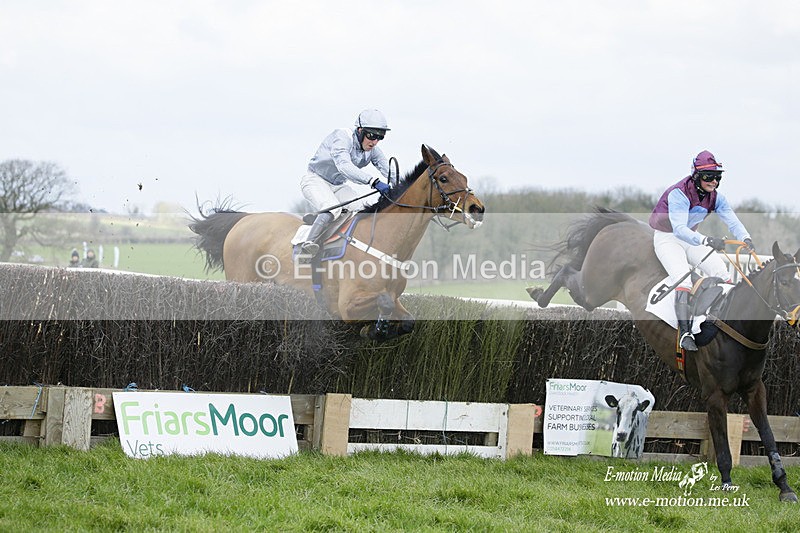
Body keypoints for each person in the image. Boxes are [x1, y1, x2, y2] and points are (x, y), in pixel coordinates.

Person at [649, 150, 754, 352]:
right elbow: (679, 230)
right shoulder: (678, 193)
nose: (714, 182)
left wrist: (745, 238)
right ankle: (685, 333)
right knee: (683, 279)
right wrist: (706, 239)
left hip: (691, 238)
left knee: (722, 273)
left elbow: (732, 220)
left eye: (717, 177)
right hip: (668, 238)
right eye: (709, 177)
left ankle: (722, 322)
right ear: (696, 176)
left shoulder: (716, 197)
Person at [296, 109, 393, 259]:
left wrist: (402, 187)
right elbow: (344, 166)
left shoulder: (373, 150)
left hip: (338, 186)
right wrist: (373, 181)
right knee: (333, 209)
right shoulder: (342, 136)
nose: (374, 141)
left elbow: (389, 170)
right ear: (360, 131)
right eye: (372, 135)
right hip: (315, 180)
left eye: (380, 137)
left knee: (363, 207)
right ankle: (306, 247)